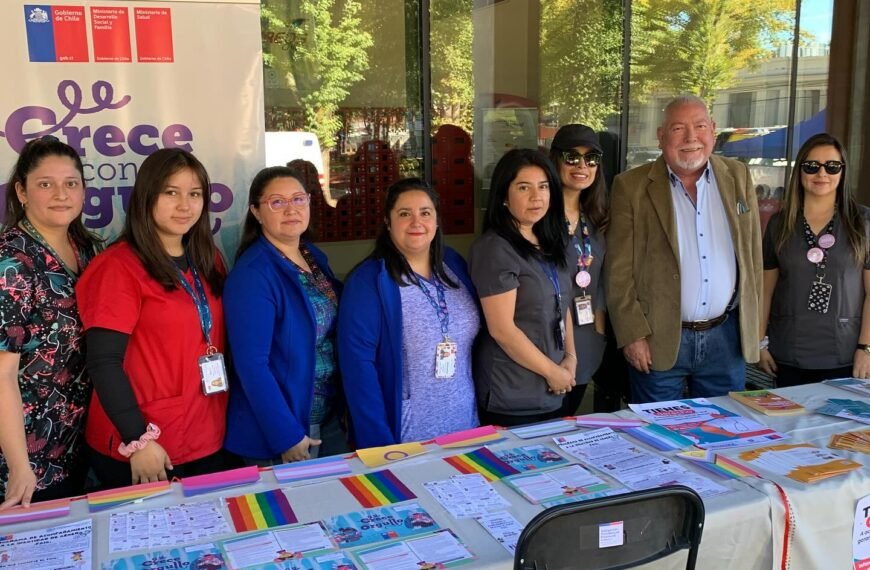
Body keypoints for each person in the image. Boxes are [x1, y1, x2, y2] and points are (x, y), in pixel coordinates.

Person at [77, 148, 229, 488]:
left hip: (206, 433)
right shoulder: (119, 266)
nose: (184, 205)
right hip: (144, 445)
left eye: (194, 194)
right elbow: (103, 361)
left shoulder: (208, 259)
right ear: (147, 197)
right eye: (170, 193)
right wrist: (137, 440)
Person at [606, 95, 762, 403]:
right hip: (659, 339)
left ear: (713, 130)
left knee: (725, 433)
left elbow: (752, 255)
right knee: (658, 437)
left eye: (700, 126)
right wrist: (633, 335)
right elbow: (618, 272)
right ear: (661, 136)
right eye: (678, 128)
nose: (691, 138)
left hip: (726, 338)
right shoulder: (631, 187)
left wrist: (755, 329)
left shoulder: (738, 176)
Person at [338, 178, 480, 448]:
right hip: (406, 439)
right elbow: (358, 368)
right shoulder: (369, 281)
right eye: (404, 214)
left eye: (425, 213)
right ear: (388, 222)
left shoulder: (453, 265)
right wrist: (378, 444)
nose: (417, 222)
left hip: (465, 427)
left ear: (437, 221)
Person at [0, 137, 101, 508]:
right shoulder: (11, 263)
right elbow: (1, 374)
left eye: (70, 183)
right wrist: (18, 466)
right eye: (45, 184)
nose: (61, 194)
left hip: (79, 443)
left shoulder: (88, 249)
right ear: (22, 192)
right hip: (26, 460)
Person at [223, 166, 346, 464]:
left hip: (328, 418)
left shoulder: (312, 256)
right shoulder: (253, 275)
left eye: (298, 199)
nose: (291, 209)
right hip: (286, 432)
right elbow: (252, 366)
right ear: (256, 211)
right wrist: (286, 435)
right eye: (277, 202)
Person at [469, 149, 576, 426]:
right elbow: (502, 330)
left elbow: (562, 304)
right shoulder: (495, 249)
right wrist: (553, 372)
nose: (536, 196)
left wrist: (571, 358)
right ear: (504, 196)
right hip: (513, 395)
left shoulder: (549, 240)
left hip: (555, 385)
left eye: (543, 187)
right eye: (524, 187)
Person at [758, 133, 870, 385]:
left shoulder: (863, 223)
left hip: (847, 355)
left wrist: (866, 349)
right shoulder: (780, 224)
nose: (822, 174)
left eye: (832, 167)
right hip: (787, 353)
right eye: (812, 166)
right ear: (800, 171)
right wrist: (760, 343)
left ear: (843, 172)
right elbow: (766, 290)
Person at [549, 124, 609, 415]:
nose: (582, 165)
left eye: (591, 158)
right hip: (545, 339)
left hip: (586, 338)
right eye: (571, 157)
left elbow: (601, 279)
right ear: (555, 160)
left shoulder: (598, 218)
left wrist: (598, 325)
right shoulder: (538, 214)